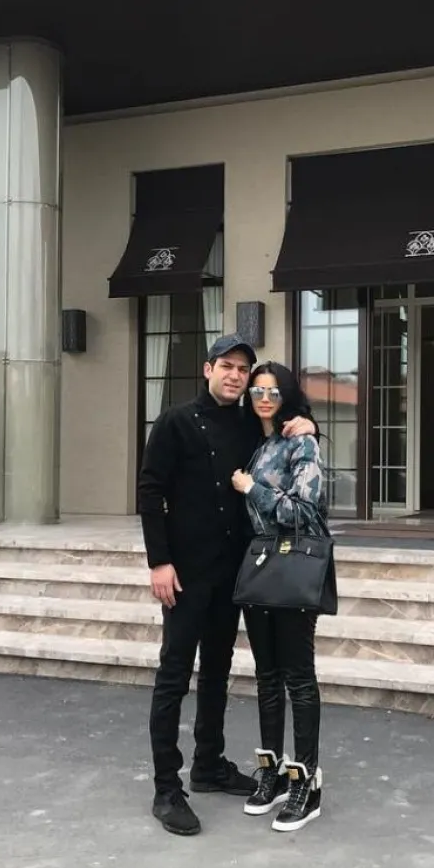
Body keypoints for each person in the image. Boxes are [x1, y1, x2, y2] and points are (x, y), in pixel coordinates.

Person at [138, 335, 317, 837]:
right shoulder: (174, 422)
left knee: (217, 671)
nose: (237, 376)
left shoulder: (247, 424)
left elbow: (287, 431)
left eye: (243, 369)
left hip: (233, 573)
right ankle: (167, 789)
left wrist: (309, 424)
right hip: (185, 573)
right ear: (208, 369)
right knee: (174, 675)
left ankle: (209, 764)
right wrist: (159, 562)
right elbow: (150, 491)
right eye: (228, 367)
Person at [230, 361, 329, 833]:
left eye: (273, 391)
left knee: (298, 677)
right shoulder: (255, 442)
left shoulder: (301, 442)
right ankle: (270, 771)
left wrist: (252, 489)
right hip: (259, 568)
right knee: (266, 676)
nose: (264, 398)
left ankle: (306, 783)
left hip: (292, 567)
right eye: (257, 391)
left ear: (286, 395)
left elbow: (303, 511)